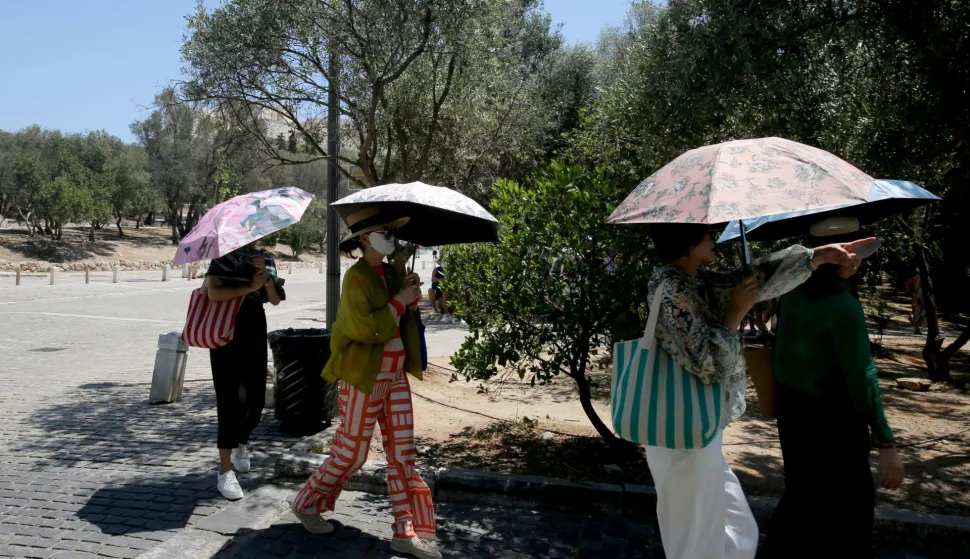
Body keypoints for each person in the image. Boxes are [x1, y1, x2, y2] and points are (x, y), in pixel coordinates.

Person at [643, 222, 874, 559]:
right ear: (688, 244)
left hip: (696, 426)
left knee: (735, 533)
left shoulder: (693, 281)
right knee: (697, 539)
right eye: (707, 234)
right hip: (680, 431)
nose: (714, 238)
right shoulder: (671, 288)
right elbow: (706, 361)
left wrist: (817, 256)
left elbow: (750, 279)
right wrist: (736, 312)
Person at [289, 209, 441, 559]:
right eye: (382, 231)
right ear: (363, 239)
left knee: (402, 454)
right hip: (364, 375)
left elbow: (401, 318)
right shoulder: (355, 278)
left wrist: (408, 293)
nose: (389, 235)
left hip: (395, 373)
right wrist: (399, 302)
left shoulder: (390, 272)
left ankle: (405, 530)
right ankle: (307, 503)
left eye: (391, 230)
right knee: (353, 453)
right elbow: (363, 327)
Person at [763, 218, 904, 559]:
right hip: (835, 424)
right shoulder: (843, 307)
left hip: (793, 416)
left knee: (800, 505)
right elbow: (862, 376)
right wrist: (886, 443)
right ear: (847, 256)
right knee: (848, 520)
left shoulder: (790, 295)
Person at [203, 243, 284, 501]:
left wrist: (266, 277)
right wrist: (249, 286)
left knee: (256, 398)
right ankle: (225, 470)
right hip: (224, 332)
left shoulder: (266, 258)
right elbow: (213, 293)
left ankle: (242, 442)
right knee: (229, 399)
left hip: (254, 330)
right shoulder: (222, 259)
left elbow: (275, 299)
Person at [428, 258, 455, 324]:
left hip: (448, 289)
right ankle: (435, 309)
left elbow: (452, 280)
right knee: (430, 290)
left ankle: (450, 314)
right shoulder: (436, 270)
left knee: (446, 290)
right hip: (437, 290)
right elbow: (433, 279)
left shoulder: (451, 270)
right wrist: (444, 279)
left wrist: (440, 279)